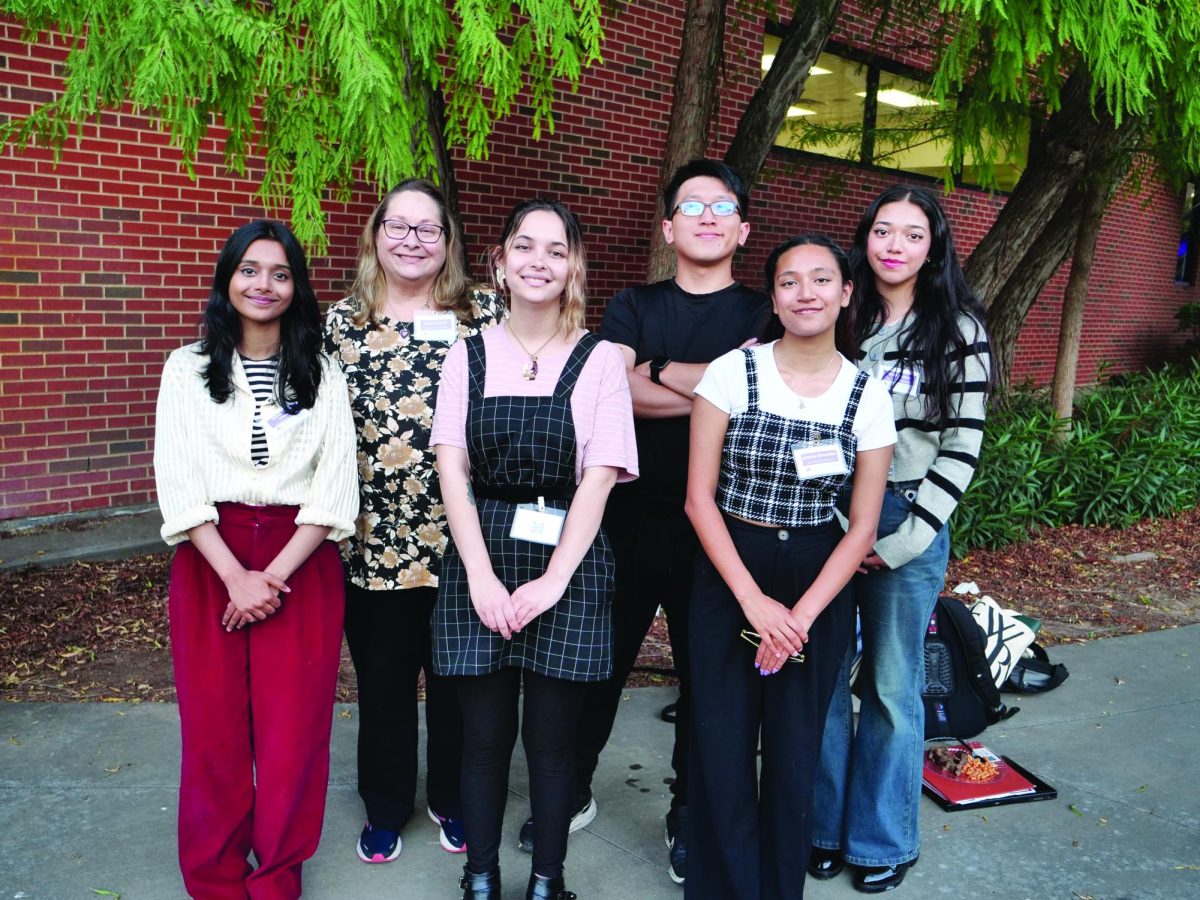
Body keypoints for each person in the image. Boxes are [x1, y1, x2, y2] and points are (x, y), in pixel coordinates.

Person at [519, 158, 771, 886]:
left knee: (707, 681)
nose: (706, 217)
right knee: (597, 665)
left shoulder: (763, 312)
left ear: (743, 229)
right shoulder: (633, 302)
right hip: (623, 517)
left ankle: (690, 812)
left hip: (720, 527)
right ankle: (570, 791)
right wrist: (718, 379)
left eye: (722, 207)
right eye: (692, 206)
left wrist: (655, 372)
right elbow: (611, 392)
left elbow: (753, 397)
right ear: (669, 227)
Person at [431, 199, 637, 900]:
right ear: (501, 263)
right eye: (525, 247)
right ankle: (480, 878)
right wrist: (482, 579)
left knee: (552, 746)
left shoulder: (601, 358)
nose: (539, 261)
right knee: (483, 740)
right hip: (478, 556)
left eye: (556, 249)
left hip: (568, 562)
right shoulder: (468, 354)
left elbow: (601, 475)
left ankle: (547, 883)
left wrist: (553, 582)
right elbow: (451, 471)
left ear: (574, 266)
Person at [684, 235, 895, 899]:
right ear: (773, 296)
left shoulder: (868, 396)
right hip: (731, 570)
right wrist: (754, 604)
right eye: (789, 281)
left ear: (845, 293)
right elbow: (698, 498)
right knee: (719, 743)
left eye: (821, 279)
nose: (805, 293)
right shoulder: (730, 374)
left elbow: (862, 525)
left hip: (816, 576)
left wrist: (799, 616)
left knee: (796, 750)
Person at [154, 220, 357, 899]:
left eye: (279, 272)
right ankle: (213, 877)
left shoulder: (324, 373)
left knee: (293, 735)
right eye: (249, 269)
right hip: (211, 560)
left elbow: (336, 488)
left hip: (302, 561)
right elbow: (179, 482)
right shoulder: (186, 370)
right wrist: (235, 575)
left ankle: (275, 877)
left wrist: (271, 576)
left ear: (296, 286)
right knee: (212, 731)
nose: (262, 284)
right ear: (228, 280)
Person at [809, 185, 993, 893]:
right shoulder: (837, 312)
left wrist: (909, 539)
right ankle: (822, 827)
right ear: (865, 238)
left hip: (904, 518)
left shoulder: (959, 330)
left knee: (891, 687)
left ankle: (881, 837)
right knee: (821, 681)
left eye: (911, 235)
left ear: (933, 247)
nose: (894, 245)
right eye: (882, 230)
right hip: (825, 509)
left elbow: (962, 446)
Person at [324, 179, 504, 864]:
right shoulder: (342, 322)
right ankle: (387, 805)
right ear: (376, 236)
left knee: (461, 681)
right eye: (397, 226)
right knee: (386, 685)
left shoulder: (484, 311)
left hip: (466, 540)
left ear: (448, 243)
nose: (411, 240)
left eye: (428, 229)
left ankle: (454, 796)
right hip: (376, 540)